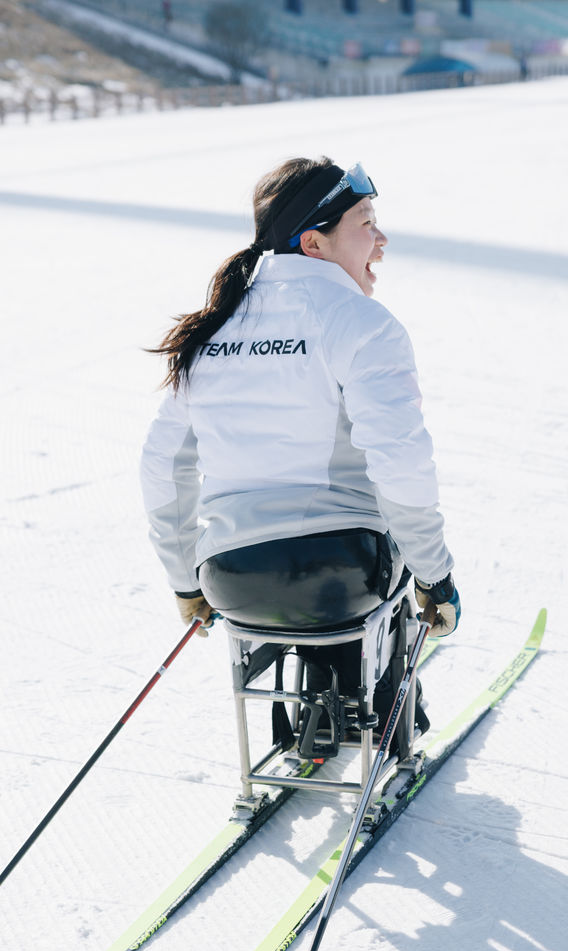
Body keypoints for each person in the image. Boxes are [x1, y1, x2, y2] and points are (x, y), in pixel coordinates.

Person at [140, 156, 460, 746]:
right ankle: (386, 720)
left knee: (320, 554)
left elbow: (163, 465)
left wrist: (187, 583)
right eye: (366, 223)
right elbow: (401, 462)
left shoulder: (211, 331)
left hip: (232, 577)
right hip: (346, 572)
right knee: (385, 540)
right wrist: (435, 576)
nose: (381, 242)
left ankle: (311, 706)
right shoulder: (362, 323)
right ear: (314, 242)